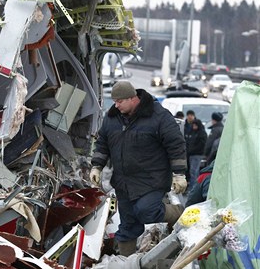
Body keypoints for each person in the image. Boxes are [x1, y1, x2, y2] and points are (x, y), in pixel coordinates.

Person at [89, 81, 187, 256]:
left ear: (133, 98)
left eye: (120, 101)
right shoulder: (112, 118)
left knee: (146, 210)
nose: (116, 105)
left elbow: (176, 145)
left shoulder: (158, 116)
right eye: (115, 101)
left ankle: (176, 212)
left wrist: (179, 174)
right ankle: (124, 266)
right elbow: (102, 143)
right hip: (123, 182)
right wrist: (97, 166)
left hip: (152, 179)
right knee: (128, 225)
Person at [185, 118, 207, 194]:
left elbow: (201, 144)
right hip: (191, 154)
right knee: (194, 171)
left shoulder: (201, 133)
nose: (194, 127)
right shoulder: (192, 132)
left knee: (194, 171)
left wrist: (192, 150)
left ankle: (193, 188)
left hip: (197, 154)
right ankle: (194, 187)